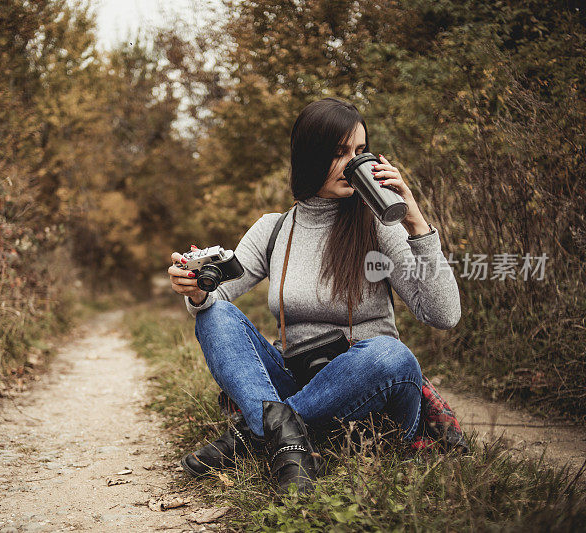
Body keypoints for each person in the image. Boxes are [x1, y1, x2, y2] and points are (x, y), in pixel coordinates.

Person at [167, 97, 461, 493]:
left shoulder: (380, 226)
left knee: (390, 353)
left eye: (360, 152)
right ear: (309, 157)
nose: (353, 164)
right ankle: (284, 436)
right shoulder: (274, 229)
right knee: (215, 316)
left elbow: (444, 314)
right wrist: (196, 289)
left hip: (371, 392)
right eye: (339, 153)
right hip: (301, 382)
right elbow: (215, 300)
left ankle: (256, 435)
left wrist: (415, 220)